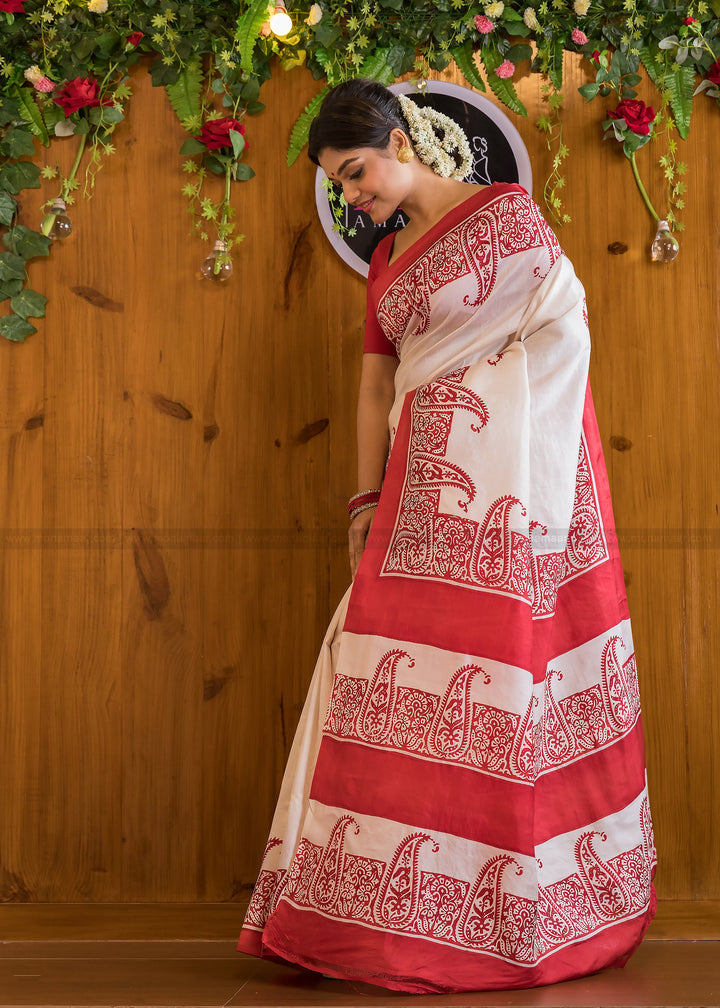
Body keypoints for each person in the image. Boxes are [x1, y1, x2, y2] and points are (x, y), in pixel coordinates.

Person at [236, 78, 656, 994]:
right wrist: (361, 503)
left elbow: (560, 334)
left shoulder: (508, 221)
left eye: (356, 173)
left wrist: (495, 447)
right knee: (386, 694)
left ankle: (513, 921)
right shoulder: (388, 260)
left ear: (401, 140)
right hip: (413, 506)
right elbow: (375, 391)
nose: (353, 196)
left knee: (498, 691)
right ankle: (376, 923)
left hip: (504, 509)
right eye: (339, 186)